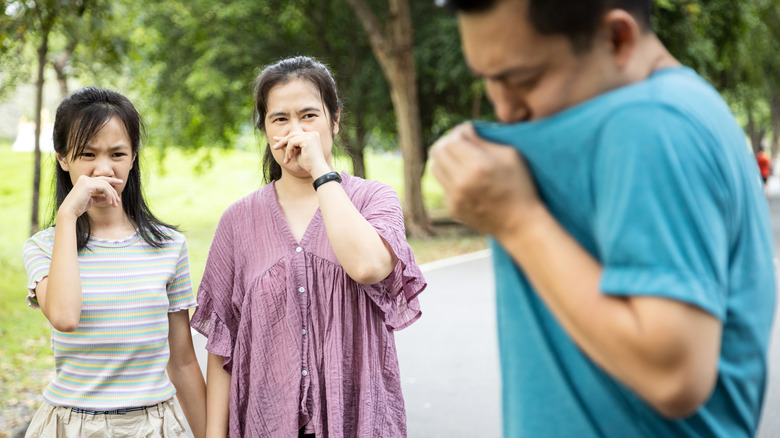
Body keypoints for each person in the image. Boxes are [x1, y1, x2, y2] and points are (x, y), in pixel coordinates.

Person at [430, 1, 775, 437]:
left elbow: (675, 376)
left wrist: (517, 220)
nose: (505, 110)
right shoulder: (684, 103)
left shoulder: (649, 125)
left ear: (618, 39)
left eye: (523, 79)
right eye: (488, 79)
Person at [190, 56, 426, 438]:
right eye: (279, 118)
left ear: (334, 121)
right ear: (265, 130)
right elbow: (222, 347)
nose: (294, 130)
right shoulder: (237, 221)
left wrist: (321, 172)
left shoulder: (373, 200)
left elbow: (368, 266)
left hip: (358, 418)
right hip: (266, 422)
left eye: (309, 115)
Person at [22, 87, 206, 437]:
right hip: (70, 426)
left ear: (134, 156)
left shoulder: (169, 246)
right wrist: (68, 216)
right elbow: (64, 316)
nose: (103, 168)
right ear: (63, 158)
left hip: (153, 426)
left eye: (117, 153)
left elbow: (182, 362)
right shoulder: (43, 247)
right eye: (87, 154)